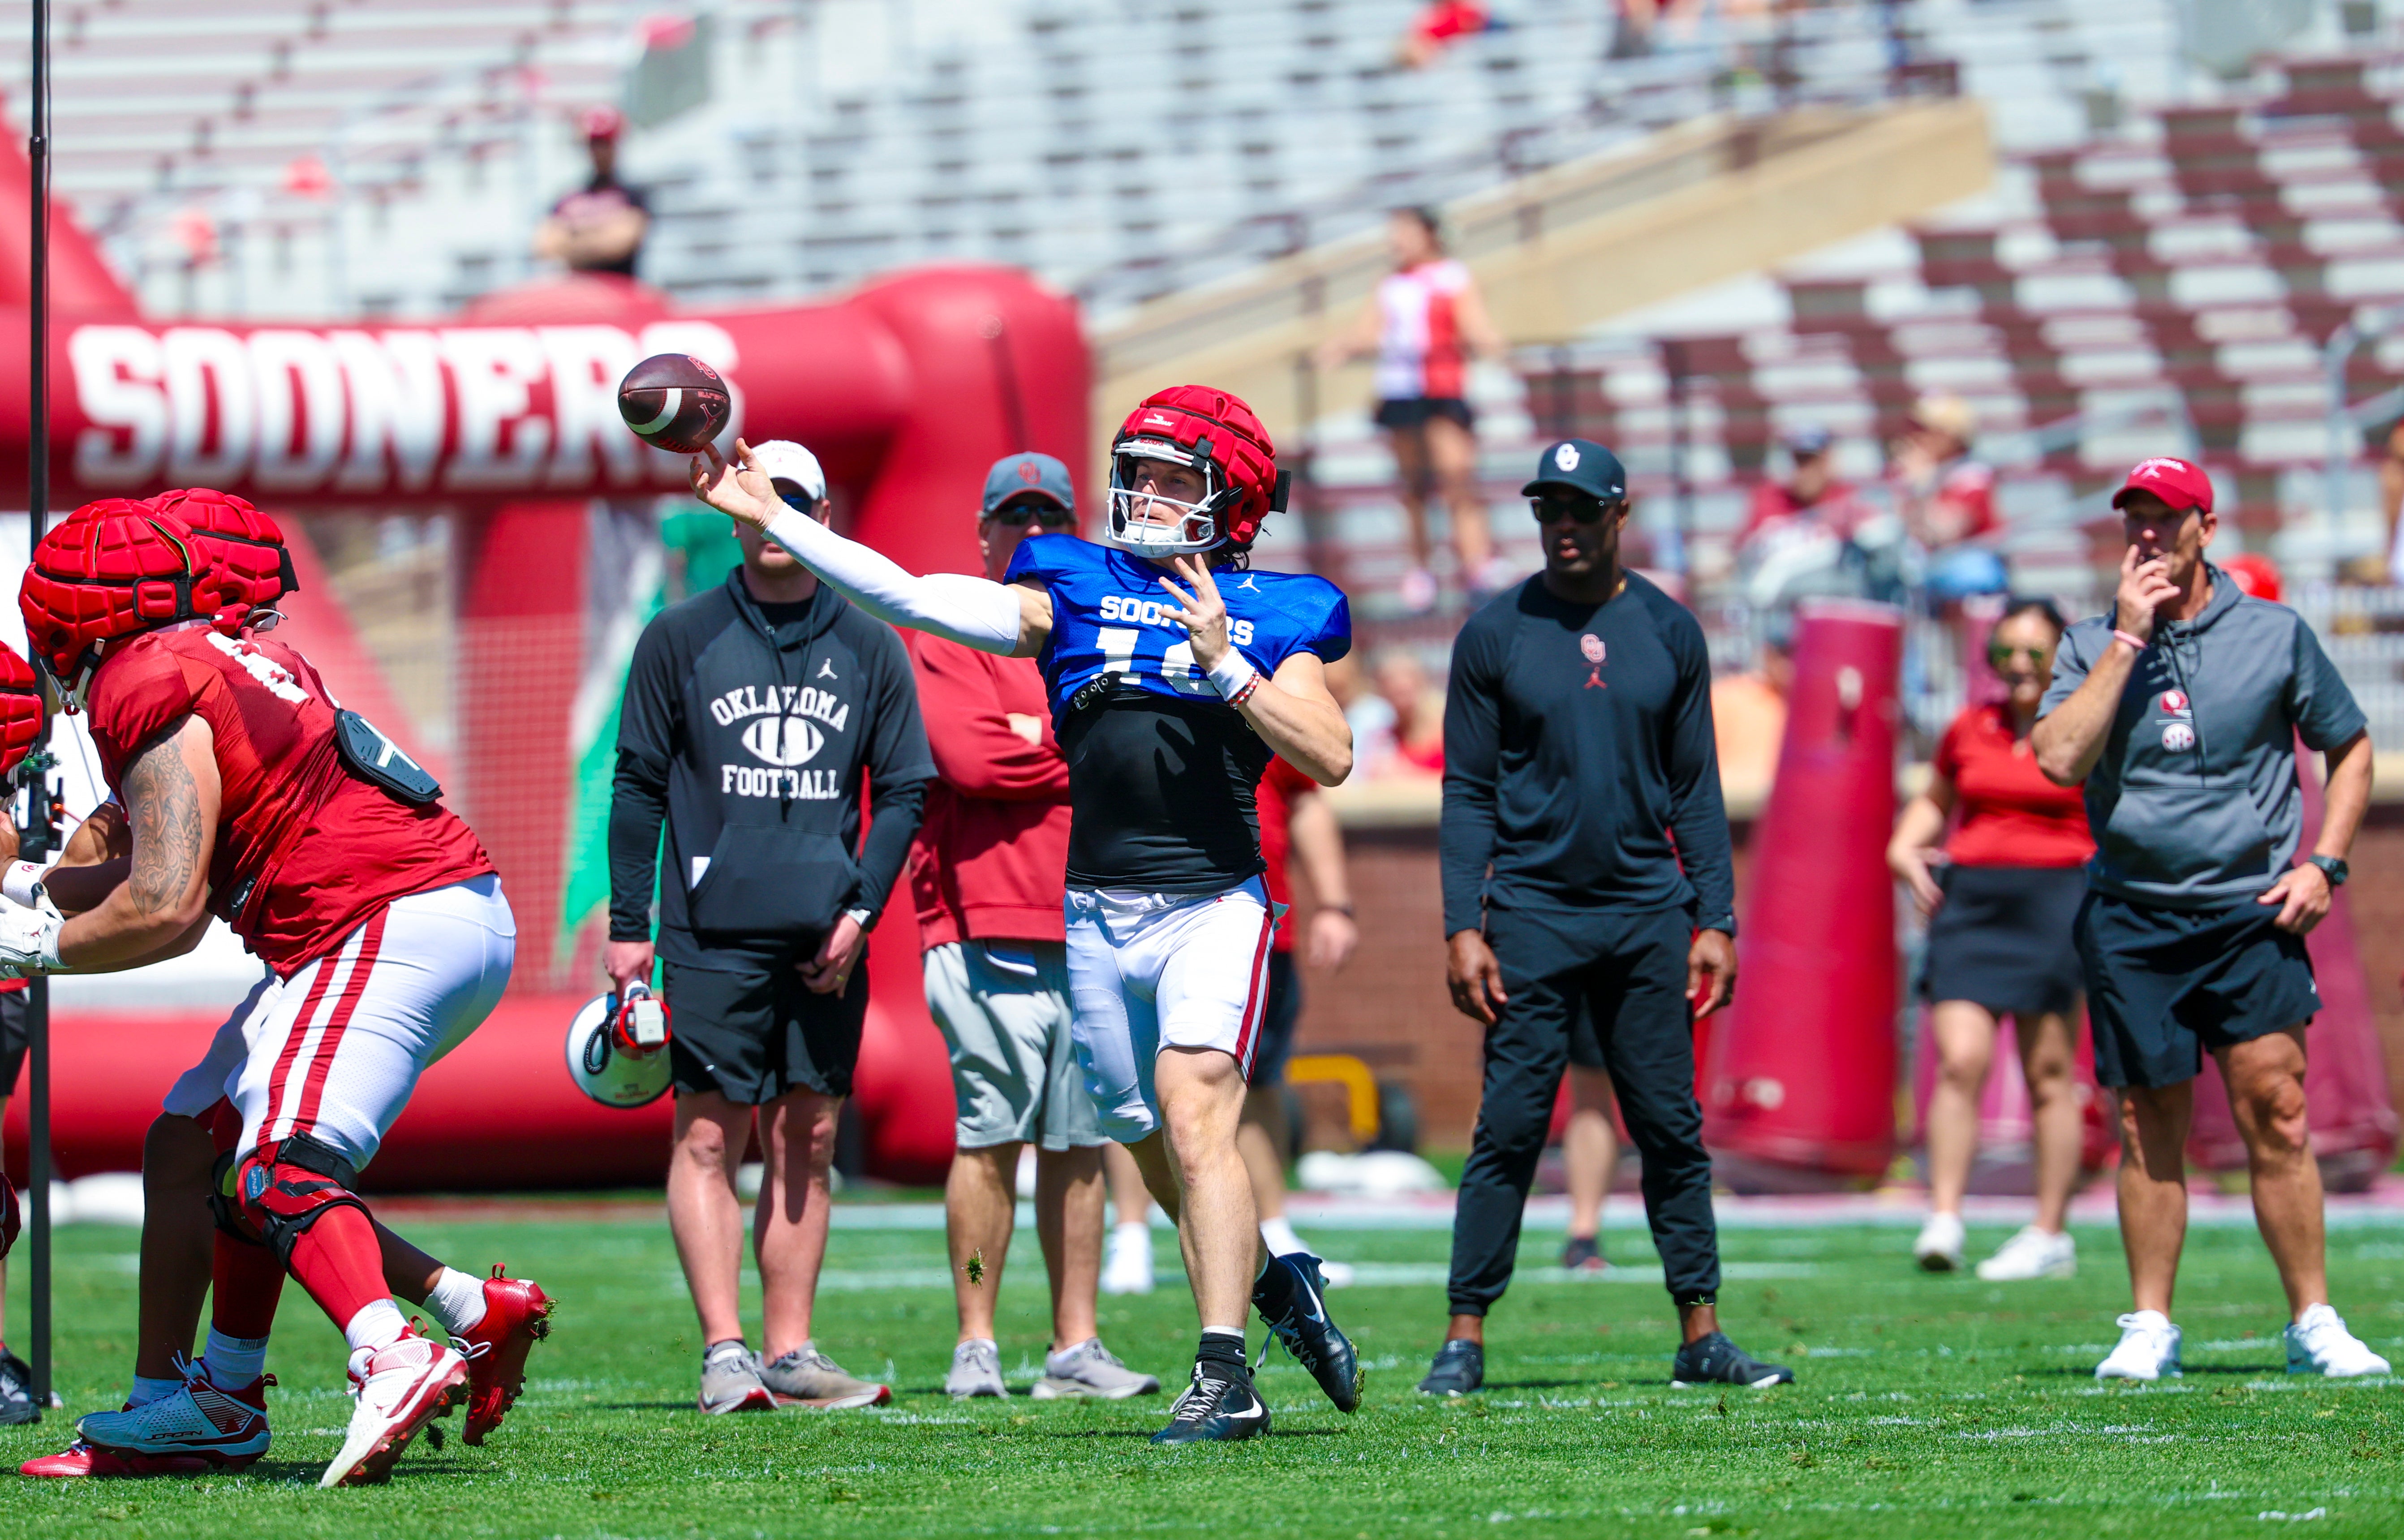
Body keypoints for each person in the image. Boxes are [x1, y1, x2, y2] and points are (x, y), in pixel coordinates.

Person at [688, 383, 1364, 1445]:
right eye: (1133, 471)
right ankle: (1281, 1287)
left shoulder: (1283, 609)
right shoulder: (1073, 582)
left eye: (1168, 476)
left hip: (1210, 903)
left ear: (1227, 496)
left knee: (1193, 1117)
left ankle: (1225, 1371)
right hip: (1092, 910)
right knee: (1139, 1133)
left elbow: (1328, 753)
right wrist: (779, 522)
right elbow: (912, 598)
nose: (1140, 492)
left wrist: (1225, 662)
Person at [16, 494, 550, 1483]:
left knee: (278, 1166)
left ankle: (389, 1352)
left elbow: (166, 906)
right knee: (191, 1146)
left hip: (379, 918)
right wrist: (26, 893)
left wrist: (33, 945)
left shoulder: (147, 674)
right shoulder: (219, 660)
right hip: (407, 914)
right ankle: (200, 1400)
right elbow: (134, 848)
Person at [1423, 437, 1792, 1397]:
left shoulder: (1669, 631)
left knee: (1668, 1127)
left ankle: (1700, 1335)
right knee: (1506, 1125)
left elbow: (1696, 790)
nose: (1563, 527)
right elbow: (1464, 792)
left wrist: (1716, 916)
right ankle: (1463, 1337)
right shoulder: (1493, 633)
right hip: (1533, 913)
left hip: (1643, 911)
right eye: (1548, 510)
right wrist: (1463, 921)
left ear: (1618, 514)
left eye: (1580, 510)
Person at [2030, 455, 2389, 1381]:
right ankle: (2148, 1324)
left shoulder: (2274, 634)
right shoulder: (2087, 642)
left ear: (2206, 528)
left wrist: (2325, 862)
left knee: (2277, 1108)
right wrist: (2124, 640)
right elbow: (2059, 762)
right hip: (2132, 913)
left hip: (2250, 911)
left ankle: (2312, 1319)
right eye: (2133, 521)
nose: (2146, 536)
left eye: (2165, 518)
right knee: (2148, 1119)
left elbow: (2348, 749)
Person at [605, 439, 932, 1415]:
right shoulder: (679, 637)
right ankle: (725, 1352)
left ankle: (791, 1355)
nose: (775, 517)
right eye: (760, 500)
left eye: (794, 500)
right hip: (710, 929)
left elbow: (908, 789)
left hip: (825, 935)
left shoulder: (871, 643)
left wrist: (861, 912)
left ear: (822, 519)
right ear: (735, 515)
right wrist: (631, 925)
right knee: (709, 1138)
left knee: (812, 1137)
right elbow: (637, 785)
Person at [912, 452, 1157, 1402]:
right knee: (990, 1138)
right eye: (1013, 517)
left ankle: (1074, 1343)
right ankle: (977, 1336)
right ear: (984, 534)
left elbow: (1127, 750)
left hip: (1091, 916)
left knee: (1079, 1145)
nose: (1030, 531)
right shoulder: (953, 629)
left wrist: (1043, 743)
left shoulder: (1097, 628)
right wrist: (1076, 744)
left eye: (1048, 516)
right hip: (984, 924)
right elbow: (975, 762)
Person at [1888, 598, 2093, 1280]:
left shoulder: (2083, 727)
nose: (2020, 665)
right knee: (1959, 1060)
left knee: (2047, 1072)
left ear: (2061, 655)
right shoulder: (1968, 725)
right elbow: (1935, 800)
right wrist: (1903, 848)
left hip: (2054, 900)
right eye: (2006, 651)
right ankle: (1943, 1215)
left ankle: (2048, 1229)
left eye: (2035, 651)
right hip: (1971, 902)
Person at [1315, 209, 1509, 613]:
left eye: (1405, 231)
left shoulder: (1452, 276)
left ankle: (1476, 564)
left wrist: (1491, 343)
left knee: (1457, 477)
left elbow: (1471, 322)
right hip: (1401, 390)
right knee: (1414, 486)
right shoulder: (1390, 284)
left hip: (1441, 388)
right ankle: (1422, 568)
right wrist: (1341, 346)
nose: (1397, 240)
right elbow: (1372, 329)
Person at [1244, 753, 1361, 1281]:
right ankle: (1130, 1236)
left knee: (1261, 1078)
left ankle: (1274, 1228)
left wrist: (1335, 904)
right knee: (1138, 1081)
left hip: (1265, 916)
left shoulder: (1264, 676)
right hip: (1153, 905)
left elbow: (1307, 794)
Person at [534, 106, 650, 277]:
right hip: (578, 293)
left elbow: (620, 244)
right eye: (593, 145)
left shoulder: (633, 195)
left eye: (604, 144)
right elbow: (545, 247)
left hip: (620, 289)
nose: (598, 152)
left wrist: (574, 234)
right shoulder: (568, 197)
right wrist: (601, 234)